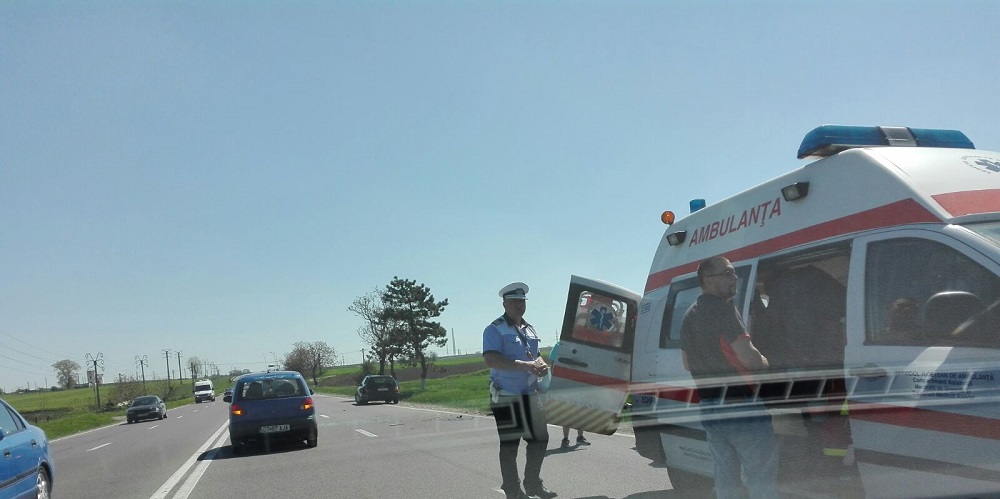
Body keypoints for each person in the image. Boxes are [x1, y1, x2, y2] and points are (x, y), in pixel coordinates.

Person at [681, 257, 779, 499]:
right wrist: (766, 362)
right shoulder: (724, 310)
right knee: (761, 477)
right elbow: (749, 358)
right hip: (740, 406)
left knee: (725, 477)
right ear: (708, 279)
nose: (734, 278)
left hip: (709, 407)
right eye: (727, 273)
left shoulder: (689, 315)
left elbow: (686, 362)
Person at [483, 282, 557, 499]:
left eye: (522, 301)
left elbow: (536, 355)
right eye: (514, 301)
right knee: (510, 446)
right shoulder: (494, 329)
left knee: (540, 439)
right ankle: (513, 490)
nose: (519, 305)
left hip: (530, 395)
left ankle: (533, 484)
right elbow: (491, 359)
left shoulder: (530, 329)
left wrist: (541, 365)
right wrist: (527, 366)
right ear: (504, 304)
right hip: (506, 396)